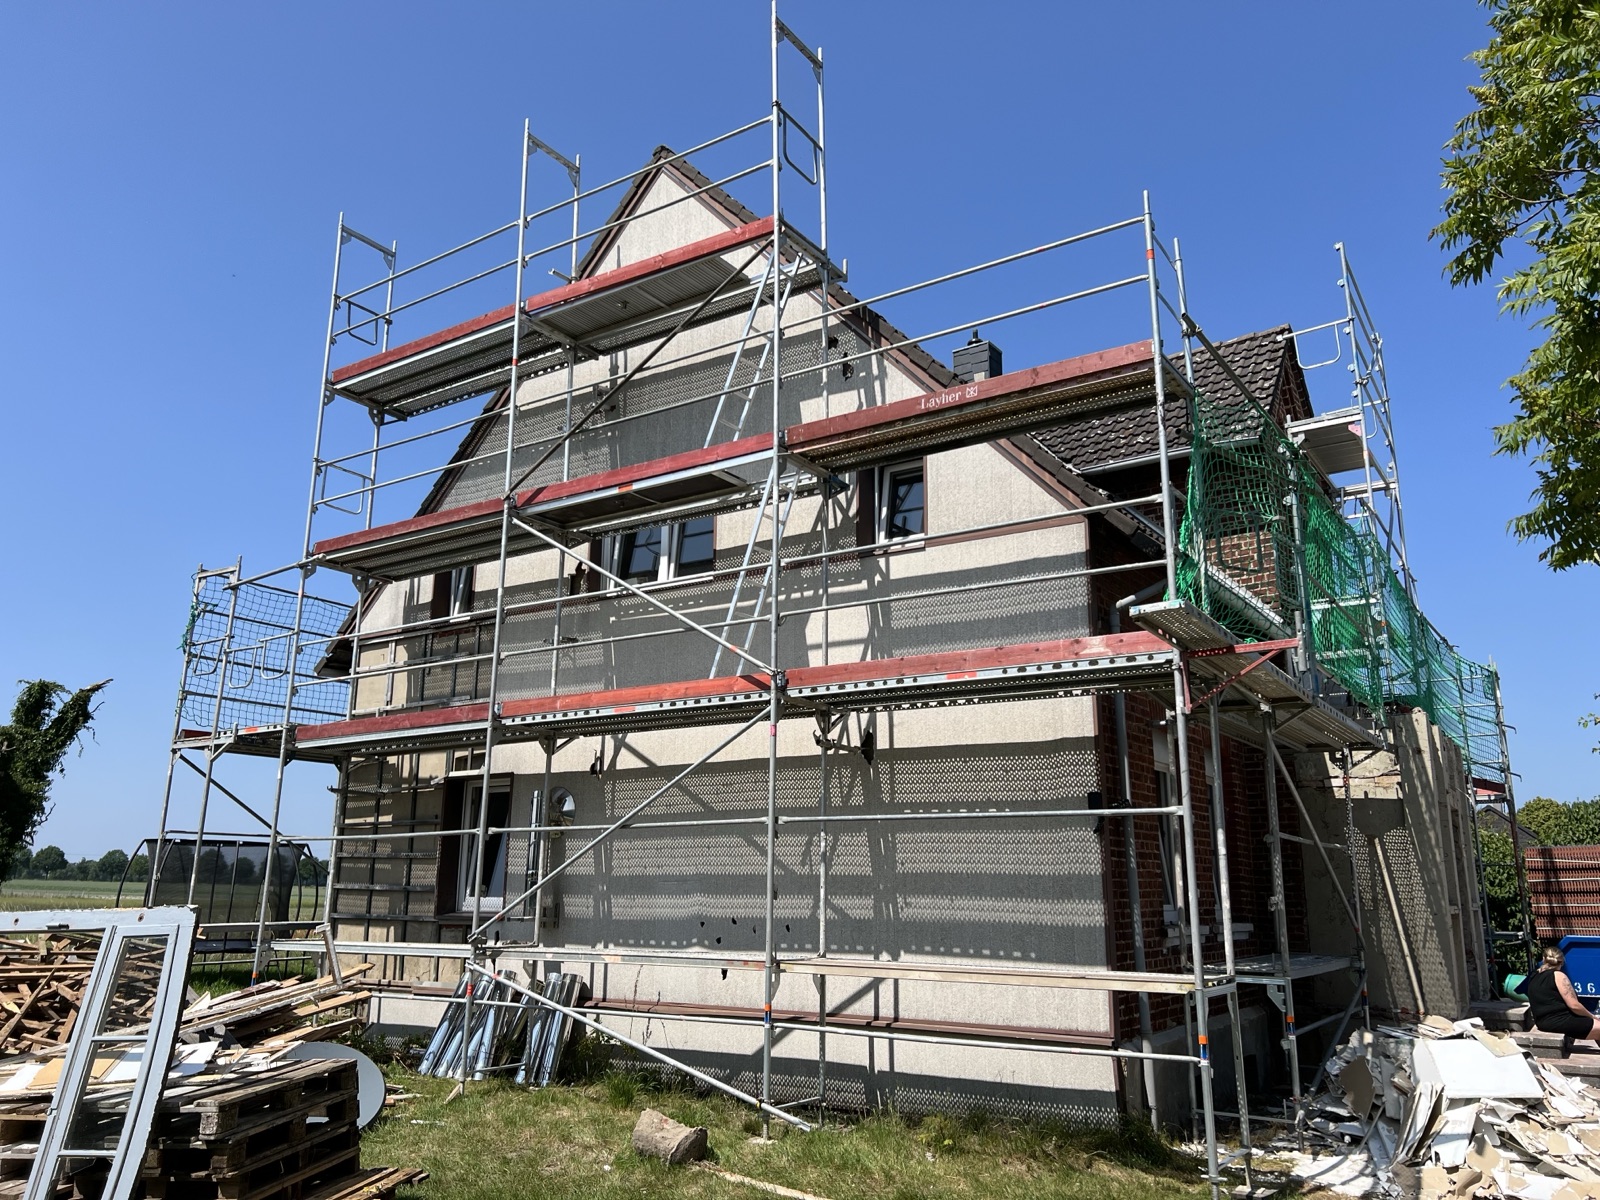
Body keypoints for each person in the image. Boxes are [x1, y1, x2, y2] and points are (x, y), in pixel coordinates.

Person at [1526, 946, 1600, 1056]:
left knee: (1595, 1026)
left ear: (1543, 958)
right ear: (1562, 961)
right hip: (1559, 1020)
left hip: (1543, 1021)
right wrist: (1592, 1016)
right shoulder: (1558, 975)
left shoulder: (1534, 976)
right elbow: (1574, 1005)